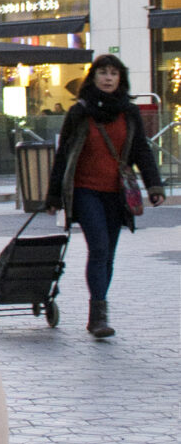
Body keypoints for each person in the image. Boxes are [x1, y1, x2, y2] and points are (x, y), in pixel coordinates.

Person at [46, 56, 164, 339]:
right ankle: (98, 316)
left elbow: (141, 151)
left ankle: (98, 311)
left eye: (114, 73)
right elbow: (63, 155)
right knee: (98, 248)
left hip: (116, 193)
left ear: (120, 79)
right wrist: (53, 195)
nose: (108, 78)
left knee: (108, 254)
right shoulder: (80, 112)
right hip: (85, 191)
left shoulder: (129, 113)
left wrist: (154, 186)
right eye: (103, 73)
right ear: (93, 77)